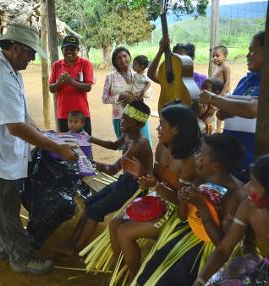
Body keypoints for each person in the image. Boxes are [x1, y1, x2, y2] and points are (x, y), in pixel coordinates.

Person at [0, 23, 77, 274]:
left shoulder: (11, 71)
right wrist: (57, 147)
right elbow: (16, 127)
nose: (32, 58)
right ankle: (20, 257)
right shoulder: (0, 77)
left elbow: (22, 114)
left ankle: (2, 246)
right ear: (15, 48)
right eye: (30, 53)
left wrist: (44, 134)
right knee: (5, 206)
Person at [136, 133, 246, 286]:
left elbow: (222, 244)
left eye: (201, 154)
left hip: (209, 251)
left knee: (175, 277)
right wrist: (183, 199)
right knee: (152, 269)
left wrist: (201, 205)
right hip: (189, 234)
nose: (196, 156)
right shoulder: (202, 176)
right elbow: (183, 216)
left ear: (216, 165)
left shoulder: (236, 195)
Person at [108, 103, 201, 283]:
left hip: (178, 215)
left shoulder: (189, 160)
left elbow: (181, 202)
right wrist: (142, 174)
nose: (157, 129)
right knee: (114, 223)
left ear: (176, 129)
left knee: (125, 232)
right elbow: (154, 176)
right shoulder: (162, 147)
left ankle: (136, 280)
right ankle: (120, 272)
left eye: (162, 125)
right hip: (159, 199)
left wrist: (155, 185)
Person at [62, 101, 153, 254]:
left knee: (95, 210)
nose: (122, 122)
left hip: (136, 188)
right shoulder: (128, 134)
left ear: (139, 125)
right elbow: (114, 145)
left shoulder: (139, 144)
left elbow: (111, 170)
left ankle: (76, 249)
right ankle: (73, 240)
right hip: (125, 182)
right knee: (89, 203)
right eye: (123, 118)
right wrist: (91, 139)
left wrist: (84, 161)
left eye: (127, 121)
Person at [193, 154, 269, 286]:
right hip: (252, 270)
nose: (246, 187)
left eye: (254, 184)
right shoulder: (248, 207)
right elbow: (223, 249)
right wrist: (200, 281)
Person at [199, 31, 264, 182]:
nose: (248, 55)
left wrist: (213, 99)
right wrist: (228, 108)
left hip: (253, 155)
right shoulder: (245, 81)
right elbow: (222, 113)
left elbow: (254, 109)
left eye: (253, 51)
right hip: (233, 153)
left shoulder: (265, 83)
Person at [101, 47, 152, 146]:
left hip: (139, 116)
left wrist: (141, 94)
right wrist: (122, 96)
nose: (123, 60)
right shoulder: (110, 77)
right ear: (114, 61)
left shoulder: (138, 72)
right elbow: (104, 99)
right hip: (121, 117)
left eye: (125, 56)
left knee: (143, 145)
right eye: (118, 58)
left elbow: (150, 91)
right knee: (127, 148)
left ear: (130, 57)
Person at [49, 35, 94, 135]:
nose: (69, 52)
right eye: (66, 49)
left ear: (78, 50)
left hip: (81, 115)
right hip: (63, 114)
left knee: (84, 145)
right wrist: (59, 82)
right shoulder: (56, 65)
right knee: (65, 146)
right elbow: (51, 89)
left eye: (73, 49)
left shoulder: (86, 64)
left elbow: (88, 87)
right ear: (62, 50)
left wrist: (71, 82)